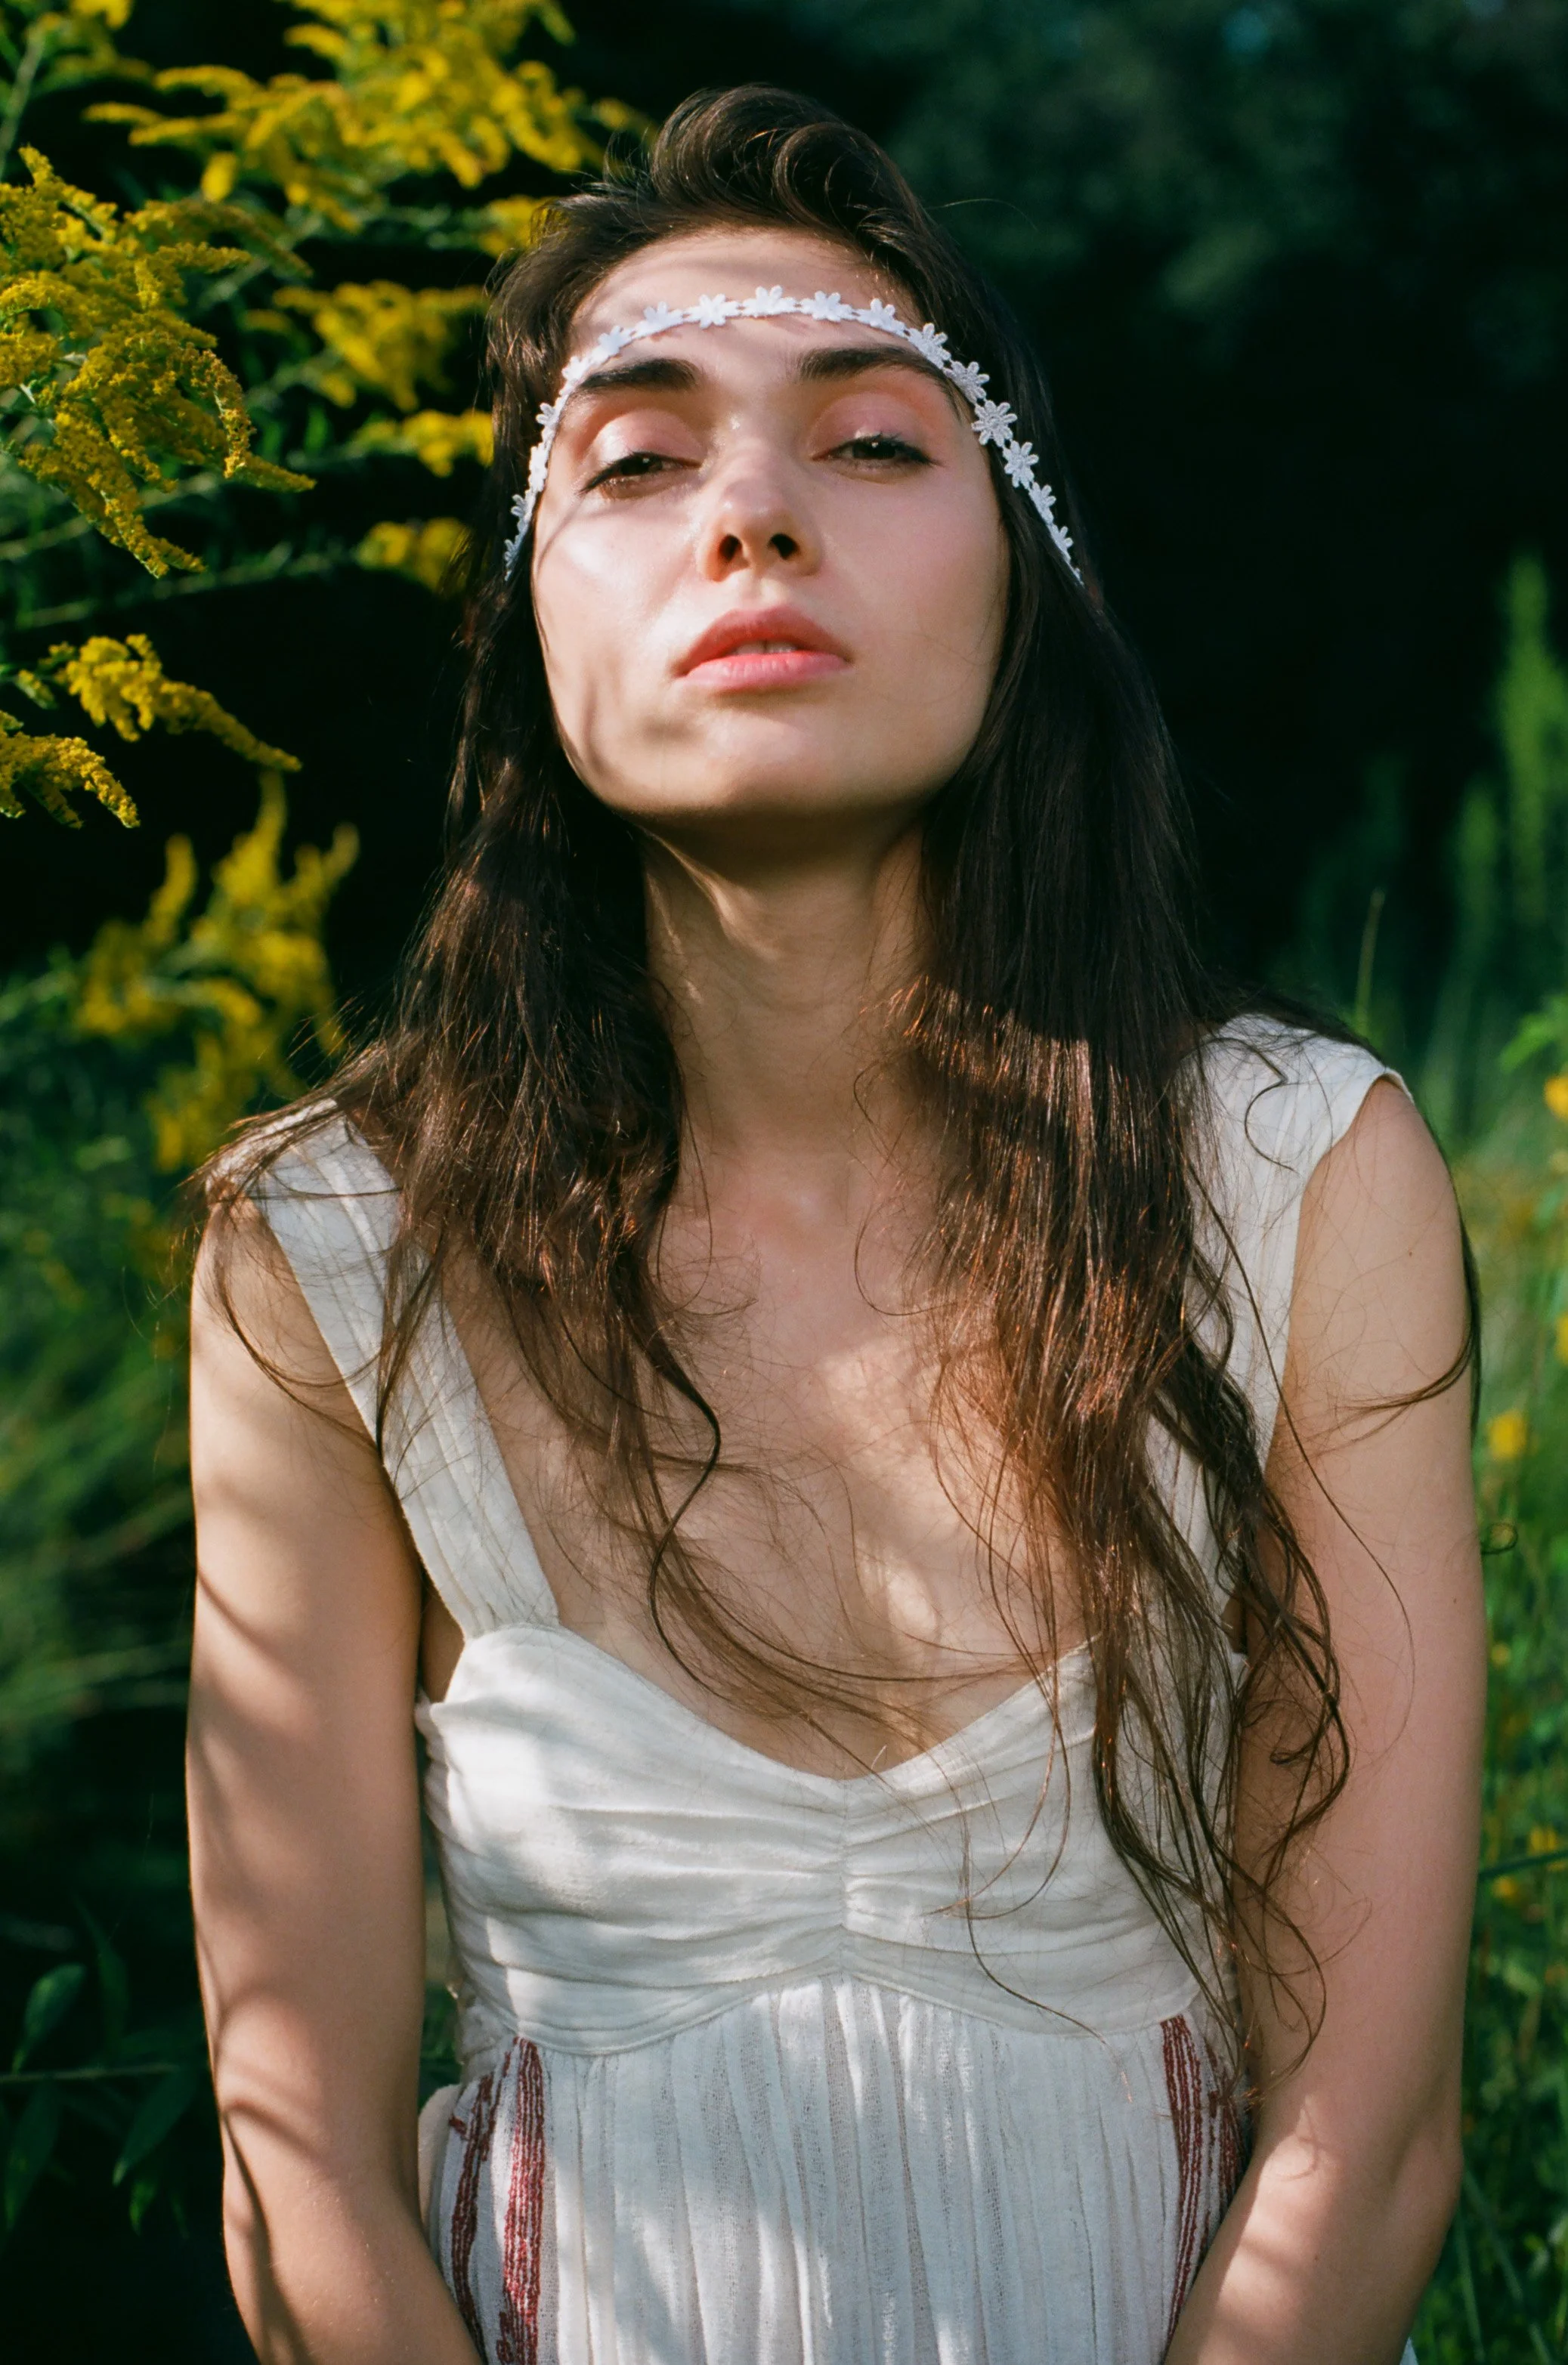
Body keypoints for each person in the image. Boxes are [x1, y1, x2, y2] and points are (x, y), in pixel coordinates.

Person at [187, 85, 1484, 2365]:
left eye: (875, 442)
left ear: (1025, 574)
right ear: (526, 612)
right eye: (638, 460)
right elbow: (300, 2173)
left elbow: (1362, 2141)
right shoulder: (330, 1250)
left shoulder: (1295, 1177)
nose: (756, 515)